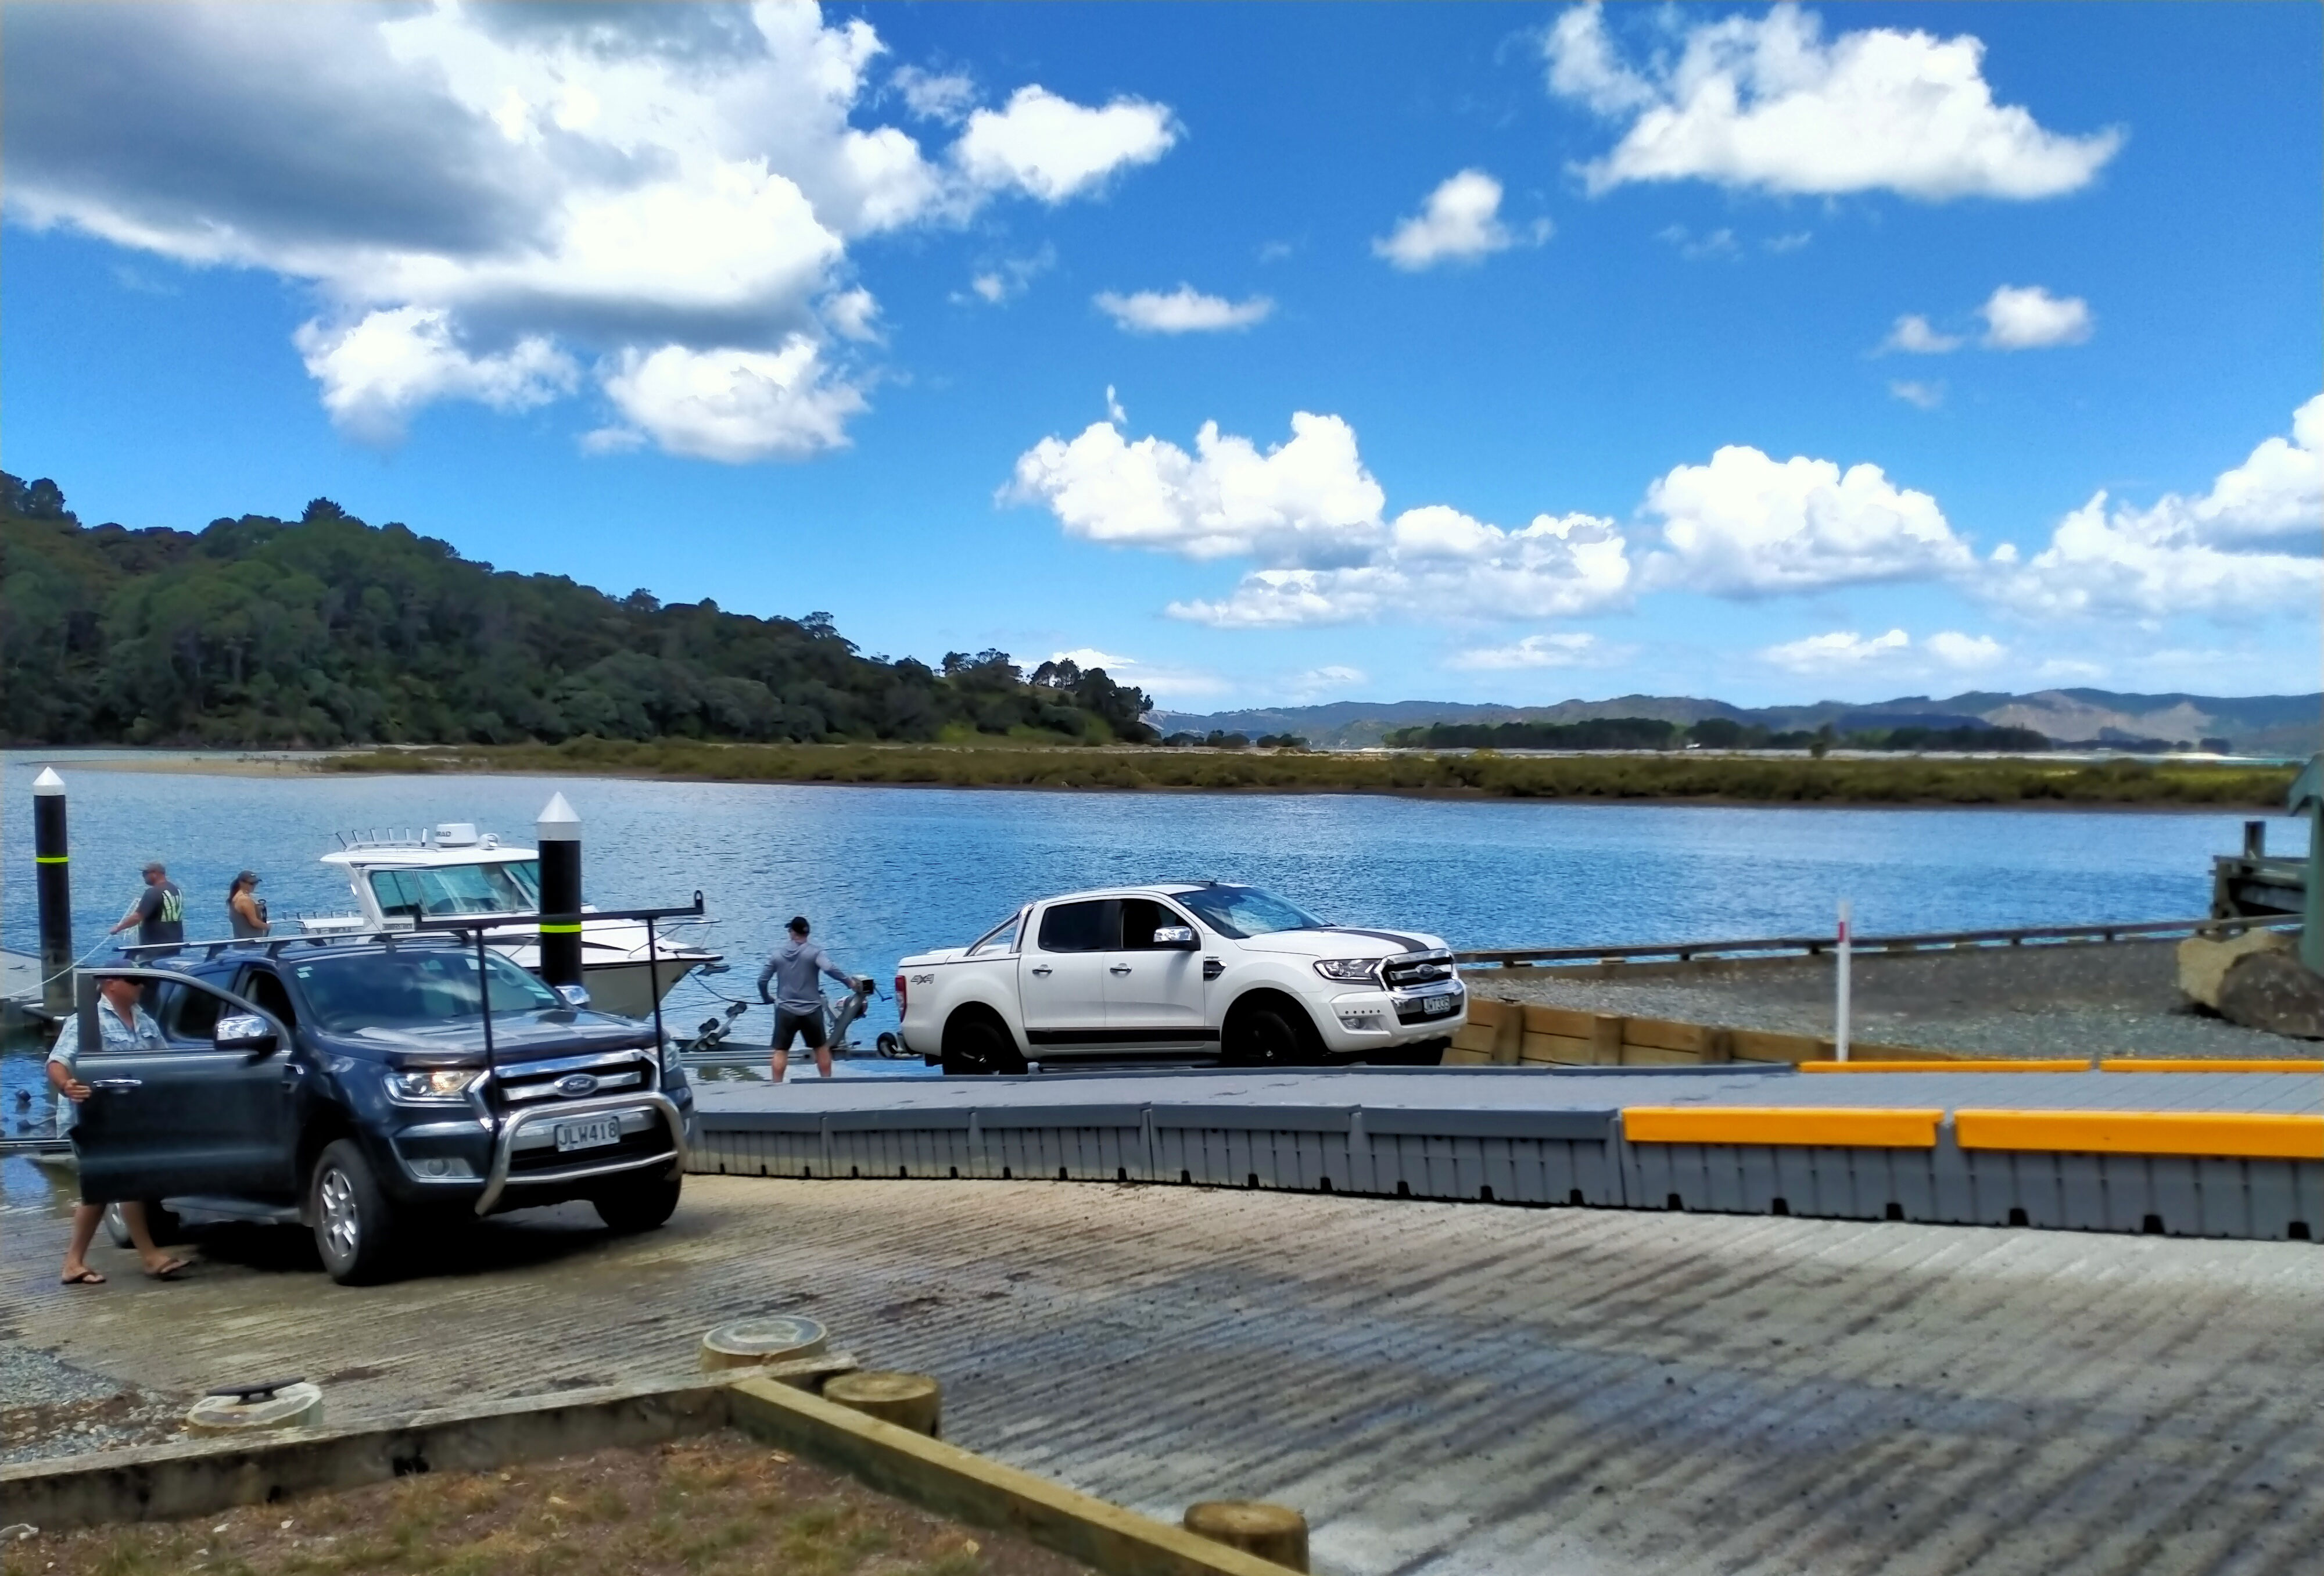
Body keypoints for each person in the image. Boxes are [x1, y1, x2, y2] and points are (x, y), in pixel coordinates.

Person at [48, 976, 192, 1285]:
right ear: (111, 984)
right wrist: (67, 1085)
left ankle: (79, 1262)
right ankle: (145, 1257)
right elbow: (57, 1063)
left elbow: (164, 1062)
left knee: (117, 1184)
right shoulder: (86, 1021)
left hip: (128, 1118)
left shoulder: (145, 1021)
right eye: (135, 981)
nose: (142, 986)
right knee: (106, 1185)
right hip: (92, 1117)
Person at [756, 916, 855, 1081]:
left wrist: (766, 997)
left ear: (792, 933)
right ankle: (826, 1083)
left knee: (781, 1051)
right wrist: (848, 982)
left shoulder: (777, 955)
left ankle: (776, 1086)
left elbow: (762, 981)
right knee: (821, 1048)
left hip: (786, 1011)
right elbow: (829, 968)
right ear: (807, 933)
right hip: (812, 1010)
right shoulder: (815, 953)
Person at [109, 862, 185, 949]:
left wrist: (118, 928)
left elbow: (137, 917)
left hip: (155, 948)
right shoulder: (176, 890)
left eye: (145, 873)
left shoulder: (153, 892)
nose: (143, 876)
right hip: (175, 945)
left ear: (155, 874)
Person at [228, 871, 270, 938]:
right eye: (251, 884)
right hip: (251, 945)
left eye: (256, 883)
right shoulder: (244, 900)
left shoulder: (236, 898)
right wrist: (268, 926)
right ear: (241, 883)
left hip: (240, 944)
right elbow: (254, 922)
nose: (254, 886)